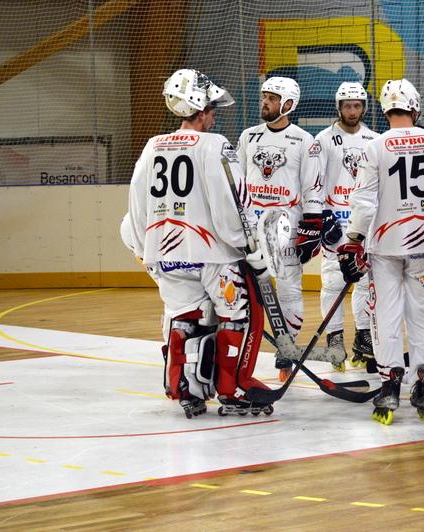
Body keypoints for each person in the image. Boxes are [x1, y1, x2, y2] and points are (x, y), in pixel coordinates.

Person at [127, 69, 272, 419]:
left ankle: (183, 387)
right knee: (240, 314)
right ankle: (232, 387)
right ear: (200, 107)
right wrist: (251, 250)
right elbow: (232, 205)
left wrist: (141, 248)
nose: (213, 114)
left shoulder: (153, 146)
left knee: (184, 317)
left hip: (165, 256)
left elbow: (135, 205)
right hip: (212, 256)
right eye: (211, 107)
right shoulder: (215, 145)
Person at [339, 79, 424, 425]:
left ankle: (390, 384)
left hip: (385, 246)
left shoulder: (375, 145)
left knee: (385, 313)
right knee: (423, 314)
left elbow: (364, 200)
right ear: (415, 106)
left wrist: (353, 239)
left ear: (384, 109)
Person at [236, 76, 324, 381]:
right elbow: (237, 183)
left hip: (287, 227)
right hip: (250, 229)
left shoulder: (304, 141)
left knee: (288, 291)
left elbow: (313, 188)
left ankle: (285, 355)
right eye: (264, 97)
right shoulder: (248, 137)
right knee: (242, 291)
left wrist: (311, 228)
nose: (265, 103)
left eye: (272, 98)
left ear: (287, 104)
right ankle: (238, 351)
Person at [314, 82, 379, 372]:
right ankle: (335, 338)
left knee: (365, 281)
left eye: (357, 105)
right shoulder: (324, 139)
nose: (352, 111)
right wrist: (321, 215)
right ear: (338, 107)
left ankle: (364, 337)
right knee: (332, 281)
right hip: (334, 222)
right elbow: (314, 181)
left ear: (364, 107)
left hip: (363, 221)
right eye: (347, 105)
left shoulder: (375, 139)